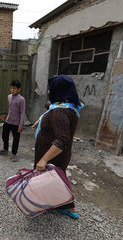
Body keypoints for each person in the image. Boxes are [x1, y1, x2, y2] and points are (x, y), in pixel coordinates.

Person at [34, 74, 84, 219]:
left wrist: (43, 160)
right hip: (57, 155)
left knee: (54, 180)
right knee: (55, 179)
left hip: (53, 156)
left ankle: (68, 206)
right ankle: (56, 204)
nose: (49, 92)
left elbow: (62, 140)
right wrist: (40, 122)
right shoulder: (66, 107)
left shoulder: (59, 112)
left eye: (51, 89)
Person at [0, 80, 26, 162]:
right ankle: (5, 149)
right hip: (8, 121)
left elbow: (22, 112)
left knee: (16, 139)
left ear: (19, 89)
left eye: (14, 88)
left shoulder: (22, 100)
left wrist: (21, 125)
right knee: (4, 135)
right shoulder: (9, 97)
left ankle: (14, 153)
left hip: (16, 123)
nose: (12, 90)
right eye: (11, 88)